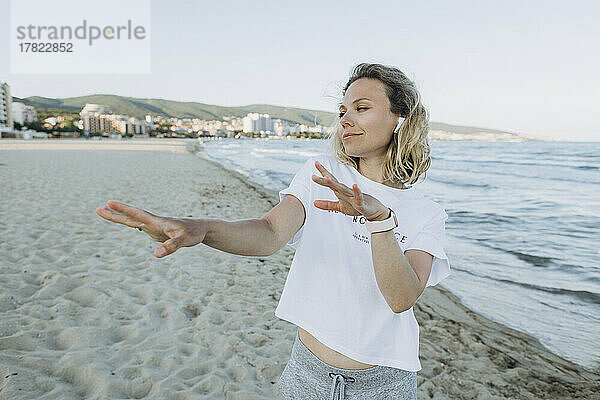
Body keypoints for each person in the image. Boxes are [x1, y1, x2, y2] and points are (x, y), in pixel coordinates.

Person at [96, 63, 450, 400]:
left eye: (361, 108)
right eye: (342, 112)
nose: (346, 121)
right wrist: (201, 229)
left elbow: (401, 298)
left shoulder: (426, 214)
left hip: (384, 384)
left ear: (400, 119)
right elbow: (269, 232)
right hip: (306, 372)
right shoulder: (322, 174)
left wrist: (380, 221)